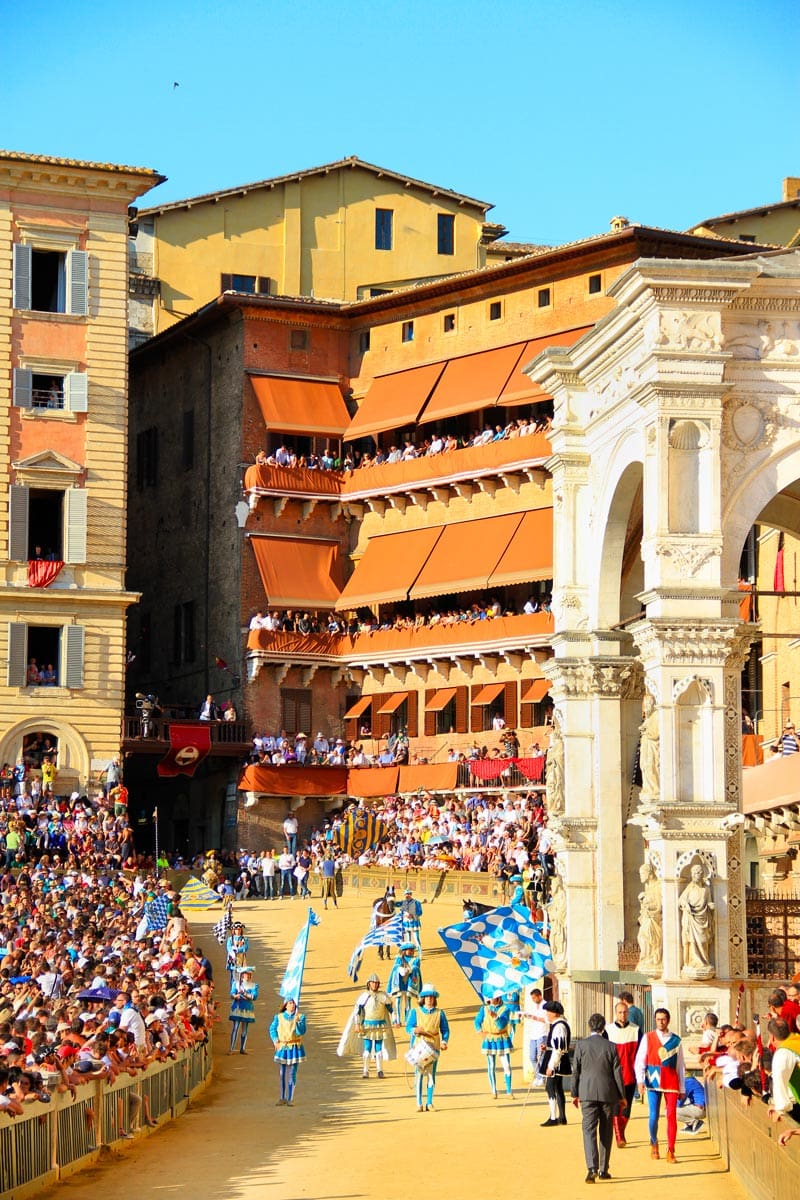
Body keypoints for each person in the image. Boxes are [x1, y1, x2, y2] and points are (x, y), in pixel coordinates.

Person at [571, 1013, 626, 1183]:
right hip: (607, 1093)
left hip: (586, 1092)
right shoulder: (611, 1046)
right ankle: (603, 1169)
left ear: (590, 1026)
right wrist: (622, 1096)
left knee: (588, 1131)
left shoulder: (581, 1045)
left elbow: (576, 1071)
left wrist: (574, 1093)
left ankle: (591, 1168)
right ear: (603, 1028)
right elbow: (617, 1073)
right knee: (606, 1131)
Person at [635, 1007, 685, 1162]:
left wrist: (682, 1087)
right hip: (653, 1079)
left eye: (663, 1019)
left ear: (668, 1020)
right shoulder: (648, 1037)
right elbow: (640, 1060)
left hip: (671, 1081)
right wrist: (640, 1080)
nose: (661, 1022)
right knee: (653, 1115)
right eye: (658, 1019)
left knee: (671, 1116)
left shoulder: (676, 1040)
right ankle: (654, 1142)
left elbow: (680, 1065)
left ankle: (671, 1150)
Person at [338, 974, 395, 1079]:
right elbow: (357, 1012)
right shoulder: (364, 996)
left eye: (376, 983)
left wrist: (396, 1021)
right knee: (367, 1048)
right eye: (373, 983)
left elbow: (391, 1009)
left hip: (380, 1025)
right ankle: (365, 1070)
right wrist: (357, 1024)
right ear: (369, 984)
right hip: (367, 1025)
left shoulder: (383, 996)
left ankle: (380, 1070)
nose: (375, 985)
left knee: (379, 1048)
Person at [406, 985, 450, 1112]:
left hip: (434, 1046)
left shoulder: (439, 1013)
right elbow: (408, 1027)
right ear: (423, 998)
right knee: (419, 1074)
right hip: (419, 1046)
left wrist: (444, 1041)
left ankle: (429, 1102)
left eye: (431, 997)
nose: (429, 999)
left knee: (431, 1075)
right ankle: (419, 1103)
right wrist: (415, 1030)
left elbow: (445, 1030)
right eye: (427, 997)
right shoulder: (415, 1012)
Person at [606, 999, 640, 1147]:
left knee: (626, 1108)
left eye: (625, 1012)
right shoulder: (608, 1030)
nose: (623, 1014)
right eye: (620, 1012)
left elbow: (640, 1053)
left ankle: (621, 1132)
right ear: (615, 1013)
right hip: (613, 1076)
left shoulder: (636, 1030)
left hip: (630, 1075)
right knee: (615, 1106)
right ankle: (619, 1137)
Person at [474, 990, 514, 1099]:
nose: (492, 999)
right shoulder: (484, 1009)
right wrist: (480, 1031)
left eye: (494, 997)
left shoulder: (505, 1009)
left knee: (506, 1066)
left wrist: (495, 1017)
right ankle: (493, 1091)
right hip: (490, 1038)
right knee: (491, 1066)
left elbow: (502, 1025)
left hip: (502, 1039)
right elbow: (477, 1021)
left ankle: (509, 1091)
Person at [678, 862, 715, 978]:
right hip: (691, 919)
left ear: (702, 874)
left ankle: (703, 962)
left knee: (704, 941)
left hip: (703, 919)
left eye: (698, 873)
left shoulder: (706, 889)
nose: (696, 875)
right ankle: (693, 962)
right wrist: (686, 905)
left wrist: (711, 905)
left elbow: (709, 901)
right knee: (692, 942)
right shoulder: (689, 888)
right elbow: (681, 900)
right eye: (694, 873)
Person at [540, 1000, 571, 1127]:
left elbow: (558, 1049)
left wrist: (551, 1066)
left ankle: (554, 1117)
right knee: (558, 1088)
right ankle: (562, 1117)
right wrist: (546, 1047)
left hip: (556, 1061)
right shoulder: (558, 1024)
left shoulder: (559, 1026)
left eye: (549, 1011)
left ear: (555, 1013)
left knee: (551, 1087)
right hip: (555, 1057)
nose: (547, 1014)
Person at [270, 997, 306, 1105]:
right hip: (283, 1047)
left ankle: (290, 1098)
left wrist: (298, 1023)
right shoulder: (279, 1017)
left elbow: (302, 1032)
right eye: (290, 1003)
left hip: (295, 1046)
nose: (292, 1005)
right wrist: (276, 1040)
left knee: (292, 1073)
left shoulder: (300, 1017)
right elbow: (272, 1029)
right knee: (282, 1073)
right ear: (286, 1005)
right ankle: (282, 1097)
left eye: (293, 1003)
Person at [387, 941, 422, 1026]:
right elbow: (396, 967)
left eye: (411, 950)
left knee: (408, 1003)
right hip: (399, 983)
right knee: (398, 1001)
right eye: (408, 950)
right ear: (404, 951)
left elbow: (416, 968)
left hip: (409, 984)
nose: (410, 951)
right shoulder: (399, 959)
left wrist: (410, 970)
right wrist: (400, 969)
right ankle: (398, 1021)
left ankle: (407, 1020)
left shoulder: (416, 959)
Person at [228, 966, 258, 1054]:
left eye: (249, 975)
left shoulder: (254, 985)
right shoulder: (236, 984)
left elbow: (254, 997)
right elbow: (232, 993)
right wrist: (235, 996)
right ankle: (231, 1048)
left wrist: (244, 994)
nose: (248, 976)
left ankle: (242, 1048)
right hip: (237, 1007)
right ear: (242, 975)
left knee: (245, 1029)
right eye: (246, 974)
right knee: (235, 1028)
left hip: (247, 1008)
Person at [523, 986, 549, 1086]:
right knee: (532, 1057)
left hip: (542, 1033)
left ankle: (542, 1077)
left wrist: (535, 1018)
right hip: (533, 1034)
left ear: (539, 996)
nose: (533, 1000)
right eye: (532, 998)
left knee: (541, 1057)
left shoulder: (545, 1005)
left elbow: (547, 1020)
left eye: (534, 998)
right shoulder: (534, 1006)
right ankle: (538, 1076)